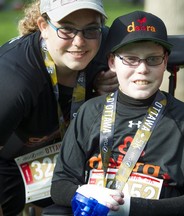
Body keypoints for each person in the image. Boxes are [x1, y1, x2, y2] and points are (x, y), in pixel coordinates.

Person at [51, 10, 184, 216]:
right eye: (130, 59)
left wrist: (131, 208)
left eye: (153, 59)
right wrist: (82, 192)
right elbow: (59, 185)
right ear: (112, 62)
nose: (142, 69)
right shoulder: (91, 112)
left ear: (165, 61)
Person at [0, 0, 118, 215]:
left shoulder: (106, 43)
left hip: (69, 159)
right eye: (67, 29)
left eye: (91, 28)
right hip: (11, 162)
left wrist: (117, 81)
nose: (80, 41)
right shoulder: (13, 81)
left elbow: (173, 50)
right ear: (44, 27)